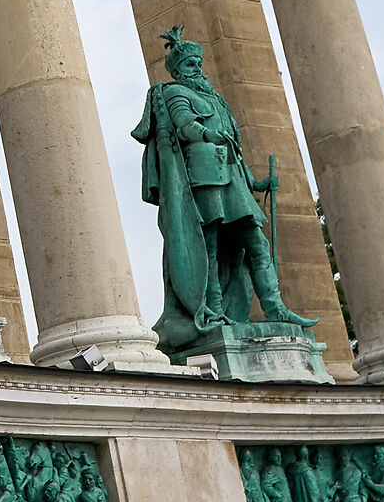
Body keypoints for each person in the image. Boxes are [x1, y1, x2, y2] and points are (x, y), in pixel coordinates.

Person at [131, 29, 314, 353]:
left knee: (256, 242)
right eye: (189, 65)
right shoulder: (174, 93)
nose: (196, 69)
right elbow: (185, 126)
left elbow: (235, 150)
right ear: (177, 70)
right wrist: (207, 134)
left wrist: (256, 184)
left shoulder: (216, 99)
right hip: (203, 178)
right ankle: (213, 312)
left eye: (197, 63)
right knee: (209, 248)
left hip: (233, 180)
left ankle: (275, 308)